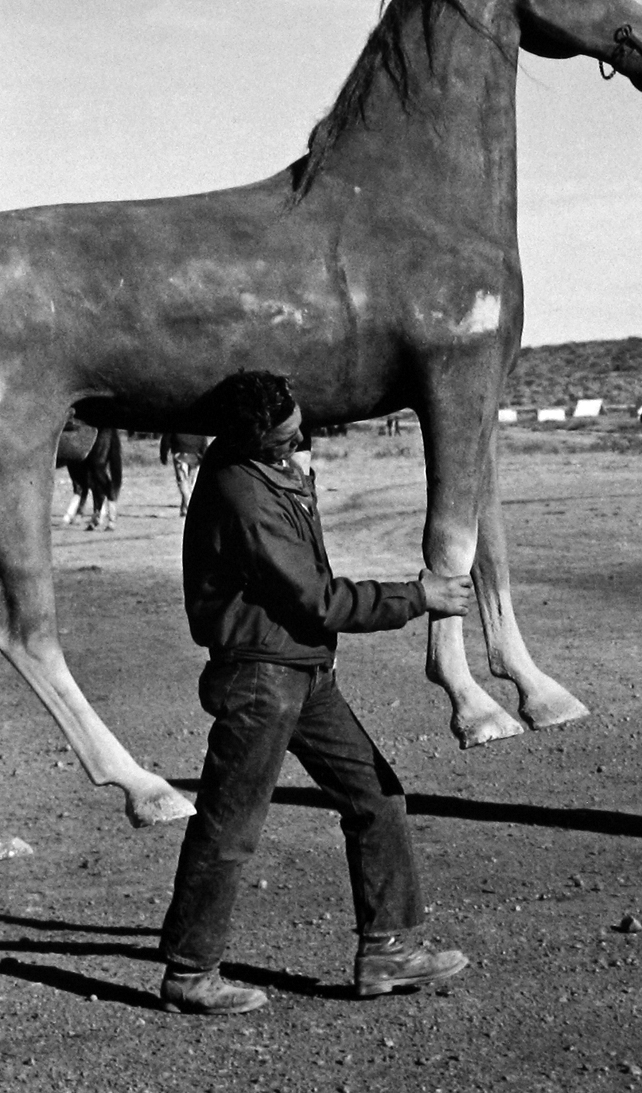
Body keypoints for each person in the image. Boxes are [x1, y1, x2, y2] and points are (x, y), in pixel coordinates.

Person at [158, 370, 474, 1014]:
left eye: (298, 430)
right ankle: (190, 973)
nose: (297, 444)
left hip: (301, 672)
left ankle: (388, 948)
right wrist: (418, 597)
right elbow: (318, 599)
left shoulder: (268, 467)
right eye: (284, 439)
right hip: (261, 680)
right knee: (229, 823)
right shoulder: (243, 496)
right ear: (250, 442)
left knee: (376, 796)